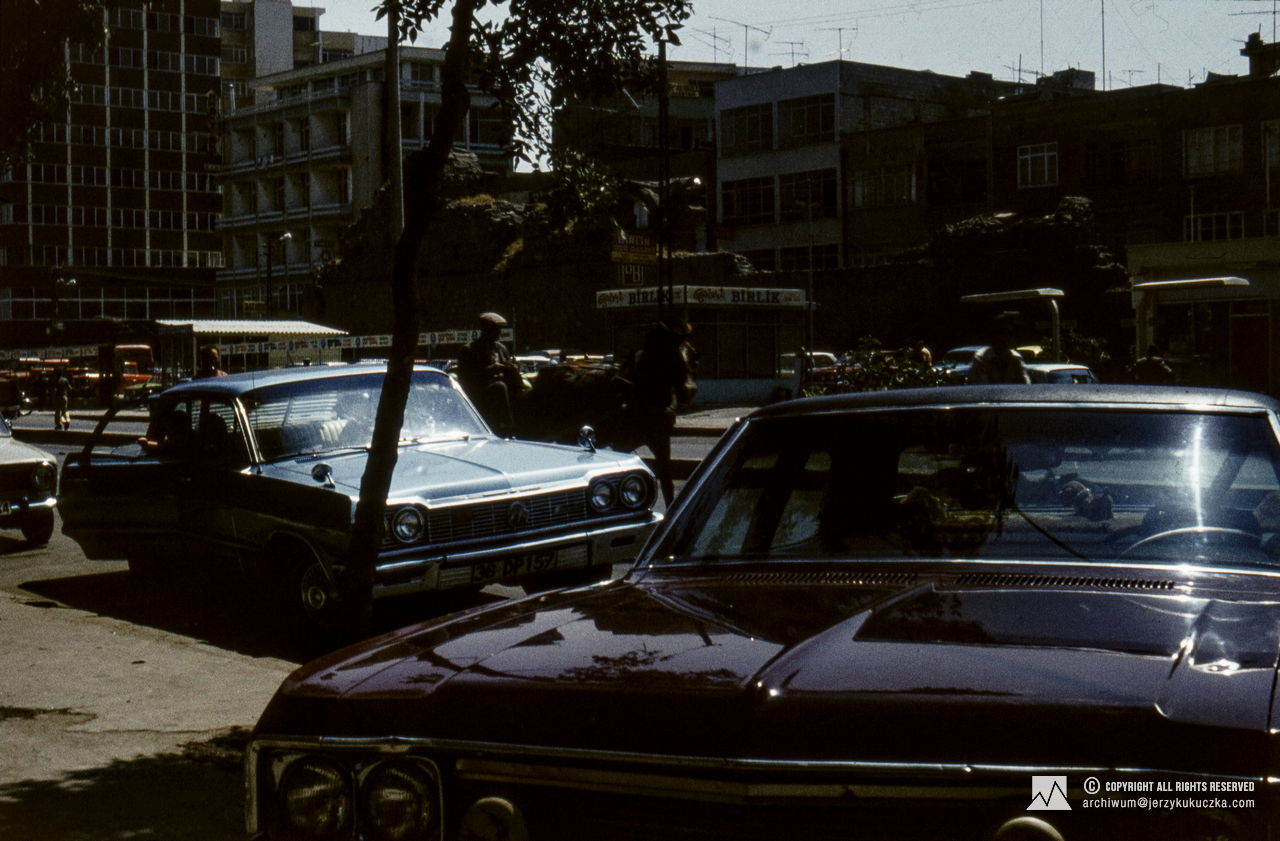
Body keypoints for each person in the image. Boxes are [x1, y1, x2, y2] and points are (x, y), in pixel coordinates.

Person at [626, 320, 697, 506]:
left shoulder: (645, 355)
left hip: (639, 413)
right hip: (656, 416)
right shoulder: (671, 355)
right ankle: (671, 506)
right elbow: (682, 383)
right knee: (664, 469)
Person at [457, 312, 521, 436]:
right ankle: (508, 428)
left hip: (505, 386)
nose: (499, 333)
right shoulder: (469, 350)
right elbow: (466, 378)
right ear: (486, 330)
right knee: (499, 387)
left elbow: (508, 366)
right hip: (482, 392)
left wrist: (512, 369)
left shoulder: (501, 348)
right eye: (496, 330)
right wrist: (492, 369)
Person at [967, 312, 1030, 385]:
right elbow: (981, 387)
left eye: (1009, 333)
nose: (1006, 338)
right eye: (1002, 333)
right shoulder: (981, 358)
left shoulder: (1016, 358)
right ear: (993, 336)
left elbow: (1025, 385)